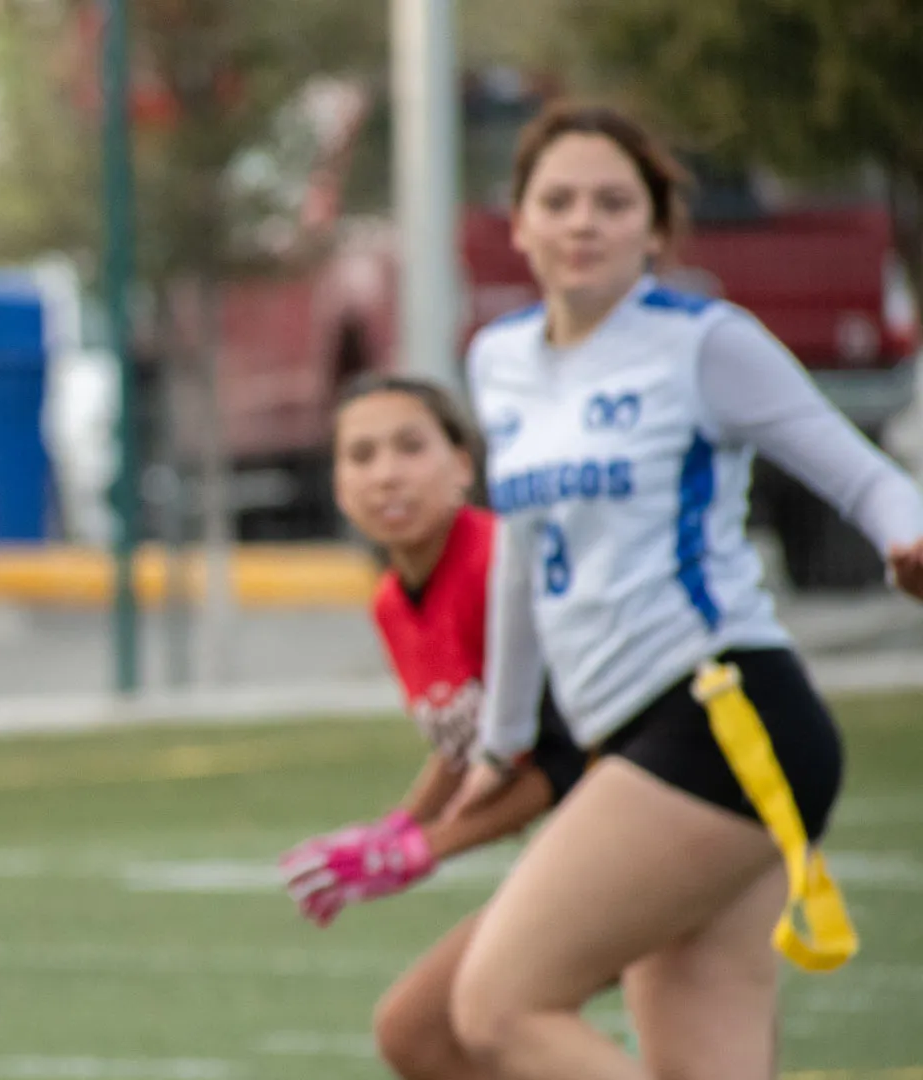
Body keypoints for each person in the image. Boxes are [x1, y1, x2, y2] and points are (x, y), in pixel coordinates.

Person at [445, 101, 923, 1080]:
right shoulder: (498, 360)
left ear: (657, 230)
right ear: (520, 222)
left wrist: (905, 533)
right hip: (627, 734)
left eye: (614, 203)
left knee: (496, 1007)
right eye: (560, 201)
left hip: (722, 716)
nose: (585, 222)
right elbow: (522, 564)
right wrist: (500, 741)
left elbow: (862, 472)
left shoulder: (705, 342)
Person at [278, 374, 590, 1080]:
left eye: (410, 447)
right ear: (336, 483)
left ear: (462, 465)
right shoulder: (392, 602)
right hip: (578, 839)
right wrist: (396, 827)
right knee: (419, 1034)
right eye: (360, 455)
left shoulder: (498, 563)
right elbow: (469, 743)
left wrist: (427, 848)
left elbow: (561, 758)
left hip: (647, 820)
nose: (385, 473)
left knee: (449, 1024)